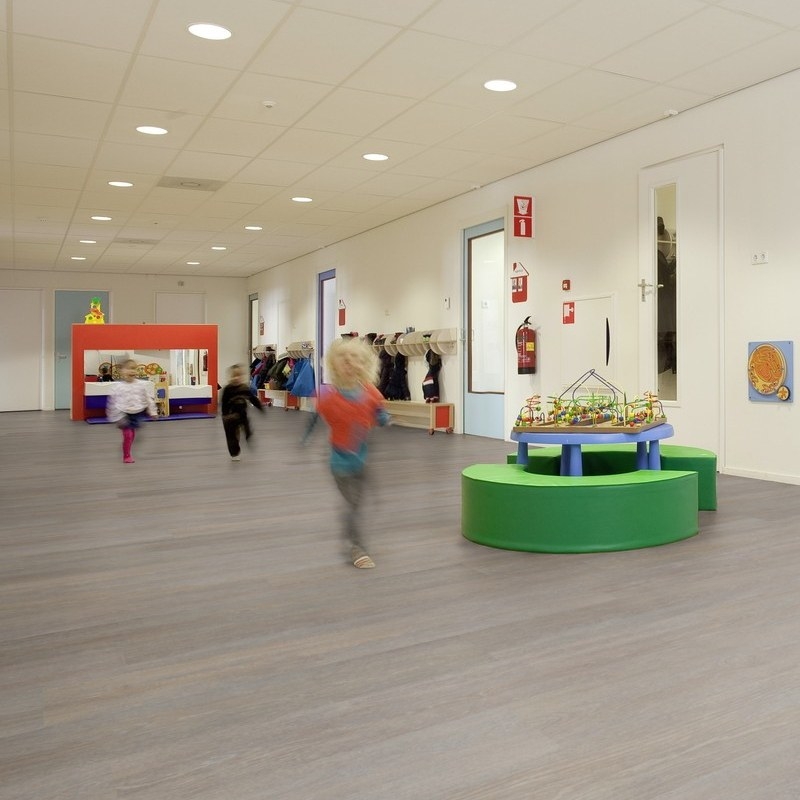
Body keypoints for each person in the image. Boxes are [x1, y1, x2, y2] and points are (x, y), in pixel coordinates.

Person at [315, 337, 391, 569]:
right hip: (340, 461)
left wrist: (383, 418)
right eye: (343, 358)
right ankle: (356, 547)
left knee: (361, 501)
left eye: (354, 357)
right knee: (353, 505)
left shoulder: (371, 392)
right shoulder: (329, 397)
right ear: (333, 365)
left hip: (362, 457)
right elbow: (322, 416)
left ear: (364, 363)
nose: (349, 362)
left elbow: (379, 413)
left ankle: (350, 529)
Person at [106, 359, 157, 463]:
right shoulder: (118, 387)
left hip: (136, 413)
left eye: (134, 368)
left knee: (132, 434)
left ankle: (127, 448)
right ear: (122, 371)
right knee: (128, 435)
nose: (132, 371)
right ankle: (127, 456)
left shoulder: (141, 385)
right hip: (123, 414)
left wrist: (153, 411)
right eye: (129, 368)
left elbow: (148, 398)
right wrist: (115, 416)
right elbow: (112, 402)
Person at [220, 363, 264, 461]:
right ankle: (234, 453)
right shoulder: (227, 389)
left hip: (241, 414)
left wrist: (260, 407)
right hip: (229, 417)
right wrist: (225, 416)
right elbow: (224, 404)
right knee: (231, 436)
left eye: (239, 376)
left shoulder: (243, 388)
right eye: (234, 376)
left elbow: (252, 398)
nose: (236, 378)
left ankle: (248, 436)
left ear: (242, 377)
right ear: (230, 377)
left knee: (247, 429)